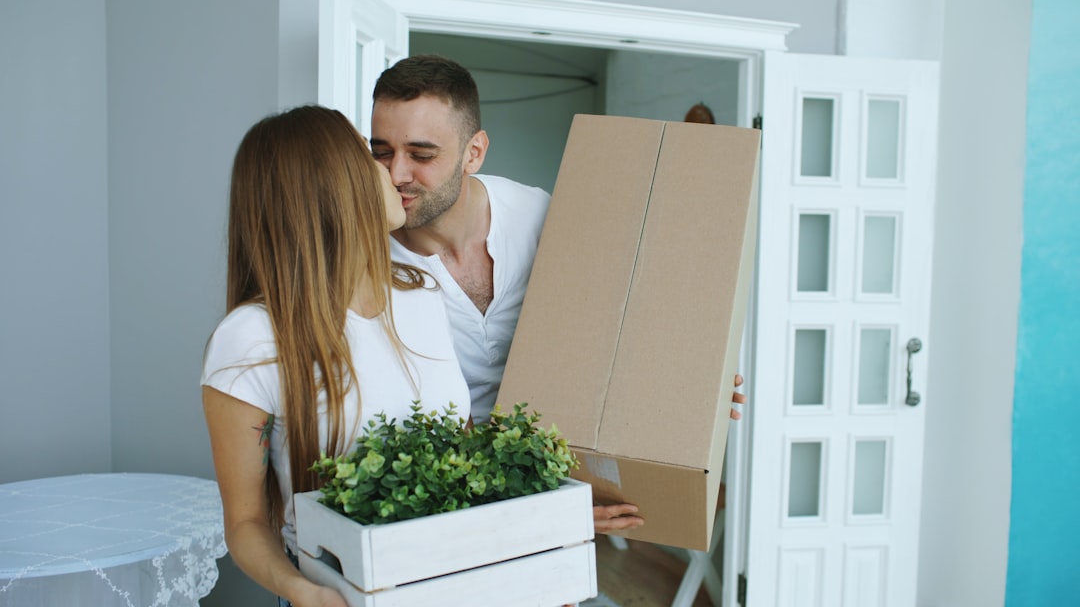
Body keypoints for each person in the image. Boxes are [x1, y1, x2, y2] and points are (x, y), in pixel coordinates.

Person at [369, 55, 747, 533]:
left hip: (556, 471)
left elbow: (618, 322)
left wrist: (691, 386)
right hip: (438, 501)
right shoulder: (364, 263)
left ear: (474, 152)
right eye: (381, 151)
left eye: (421, 155)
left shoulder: (543, 215)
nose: (396, 174)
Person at [201, 105, 470, 607]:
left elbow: (461, 452)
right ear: (331, 185)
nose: (390, 172)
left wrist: (526, 564)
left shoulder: (423, 295)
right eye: (369, 155)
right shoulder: (253, 339)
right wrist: (302, 591)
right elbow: (245, 522)